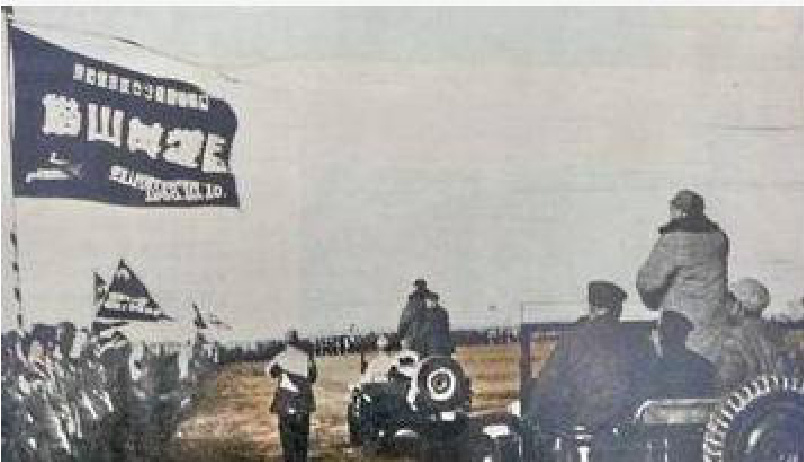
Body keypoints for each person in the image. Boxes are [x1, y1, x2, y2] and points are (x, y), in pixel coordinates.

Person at [527, 281, 657, 437]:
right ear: (617, 309)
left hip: (582, 434)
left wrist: (530, 420)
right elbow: (651, 387)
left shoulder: (571, 340)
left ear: (592, 308)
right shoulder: (637, 341)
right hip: (628, 435)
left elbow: (545, 388)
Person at [636, 189, 730, 361]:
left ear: (679, 212)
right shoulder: (720, 239)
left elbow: (648, 283)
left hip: (680, 329)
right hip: (714, 328)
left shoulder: (673, 240)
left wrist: (653, 302)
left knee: (681, 371)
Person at [716, 278, 782, 391]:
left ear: (739, 306)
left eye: (730, 302)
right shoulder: (774, 334)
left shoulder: (733, 339)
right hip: (772, 398)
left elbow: (726, 381)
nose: (726, 308)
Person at [267, 329, 317, 462]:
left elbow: (271, 373)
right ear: (297, 341)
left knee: (287, 438)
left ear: (286, 342)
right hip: (303, 402)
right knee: (302, 438)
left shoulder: (280, 357)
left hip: (285, 402)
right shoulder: (306, 357)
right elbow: (313, 378)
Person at [651, 311, 718, 398]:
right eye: (662, 333)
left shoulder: (702, 367)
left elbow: (707, 400)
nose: (661, 339)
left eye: (675, 332)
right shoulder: (649, 365)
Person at [397, 279, 436, 347]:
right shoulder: (429, 301)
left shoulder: (413, 303)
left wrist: (400, 336)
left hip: (416, 337)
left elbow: (405, 321)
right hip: (426, 339)